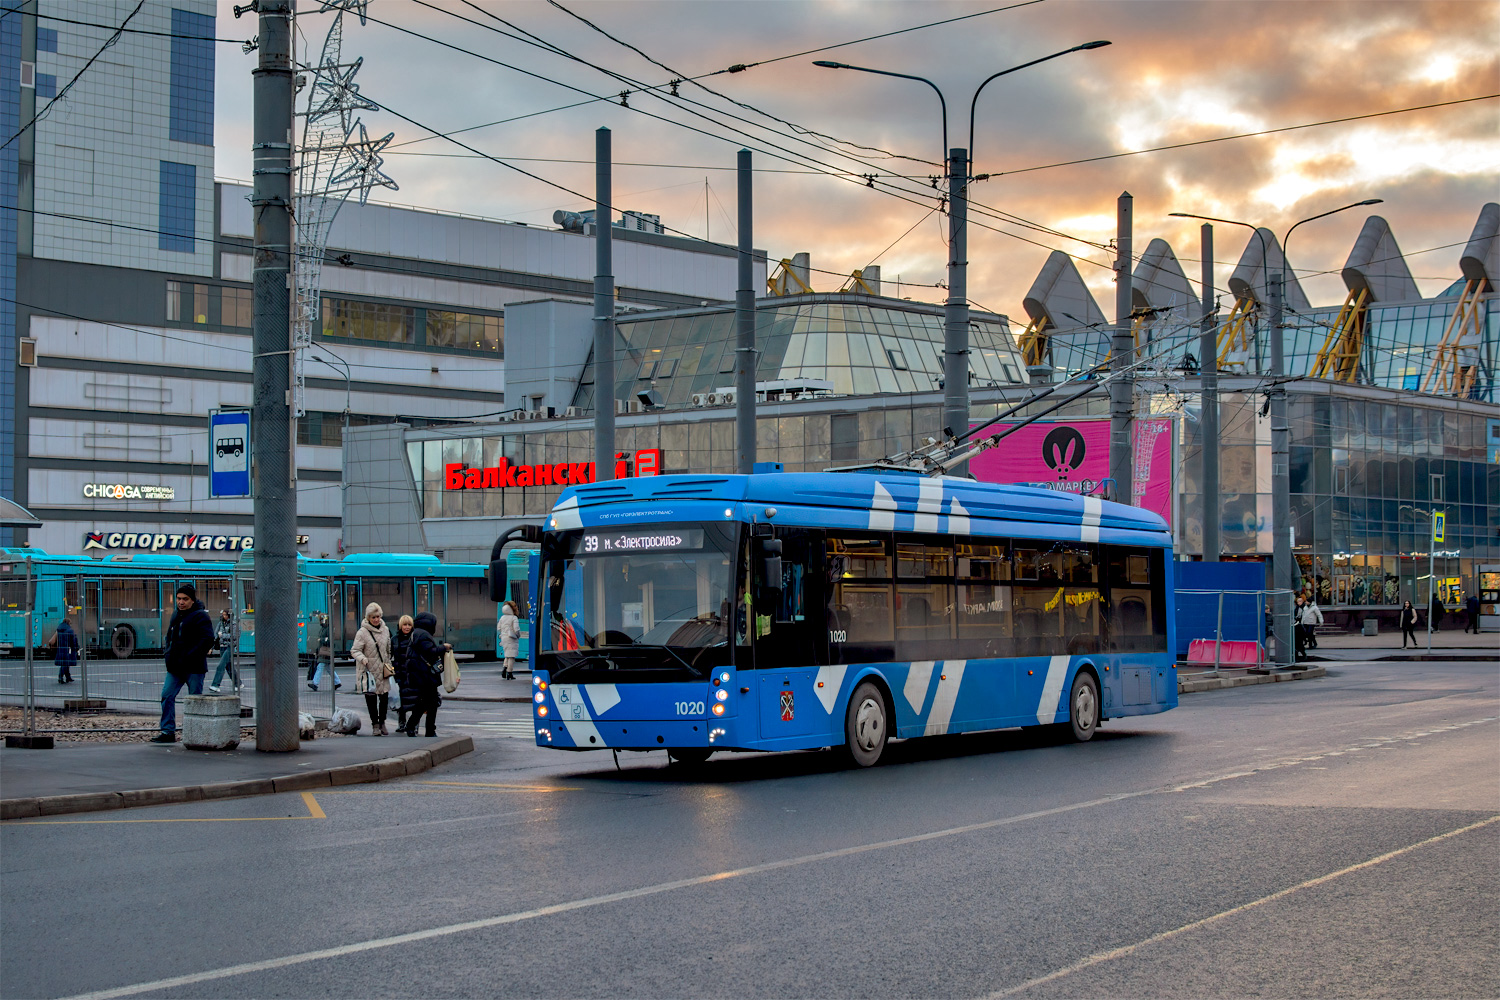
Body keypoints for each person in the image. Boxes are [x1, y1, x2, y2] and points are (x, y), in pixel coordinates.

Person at [153, 584, 213, 744]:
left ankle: (196, 732)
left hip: (194, 667)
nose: (181, 602)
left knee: (194, 701)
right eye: (179, 599)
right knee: (167, 695)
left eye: (185, 599)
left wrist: (190, 655)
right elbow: (170, 637)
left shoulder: (201, 616)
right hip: (175, 667)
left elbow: (207, 639)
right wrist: (169, 654)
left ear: (192, 600)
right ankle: (167, 731)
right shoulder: (176, 615)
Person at [401, 611, 449, 737]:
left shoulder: (417, 633)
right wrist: (444, 648)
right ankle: (429, 730)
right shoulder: (423, 635)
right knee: (432, 703)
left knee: (425, 702)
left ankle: (412, 726)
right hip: (425, 675)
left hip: (419, 675)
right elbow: (430, 651)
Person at [351, 603, 394, 736]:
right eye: (373, 617)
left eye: (378, 616)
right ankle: (375, 724)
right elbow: (355, 650)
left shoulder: (385, 630)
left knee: (384, 697)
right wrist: (363, 659)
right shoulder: (362, 632)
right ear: (368, 617)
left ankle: (382, 723)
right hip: (369, 671)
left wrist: (389, 660)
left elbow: (388, 648)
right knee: (371, 698)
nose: (376, 619)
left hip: (383, 669)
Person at [391, 614, 414, 732]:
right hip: (399, 673)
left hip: (413, 674)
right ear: (400, 626)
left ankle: (414, 724)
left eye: (409, 624)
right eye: (404, 624)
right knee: (401, 700)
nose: (407, 627)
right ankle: (402, 723)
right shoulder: (394, 639)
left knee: (414, 700)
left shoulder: (415, 638)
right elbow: (390, 655)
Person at [209, 608, 240, 693]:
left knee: (221, 665)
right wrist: (211, 647)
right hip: (222, 646)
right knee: (229, 666)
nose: (224, 616)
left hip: (230, 647)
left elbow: (234, 636)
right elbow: (215, 636)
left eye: (225, 615)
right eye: (223, 615)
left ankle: (215, 684)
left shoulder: (234, 625)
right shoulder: (220, 624)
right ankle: (238, 683)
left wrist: (222, 635)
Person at [498, 601, 521, 680]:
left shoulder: (502, 618)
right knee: (511, 656)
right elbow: (516, 629)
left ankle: (504, 669)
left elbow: (499, 628)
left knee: (507, 655)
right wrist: (518, 635)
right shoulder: (514, 618)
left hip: (503, 638)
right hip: (511, 638)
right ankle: (509, 673)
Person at [53, 617, 78, 684]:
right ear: (68, 623)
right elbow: (73, 641)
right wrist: (76, 648)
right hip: (68, 649)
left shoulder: (59, 629)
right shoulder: (69, 630)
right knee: (66, 664)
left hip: (61, 648)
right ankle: (61, 677)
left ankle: (68, 677)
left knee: (65, 663)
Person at [1293, 595, 1309, 661]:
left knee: (1300, 646)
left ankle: (1303, 656)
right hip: (1297, 627)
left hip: (1303, 623)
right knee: (1296, 647)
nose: (1299, 603)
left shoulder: (1305, 608)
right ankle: (1296, 657)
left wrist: (1305, 639)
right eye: (1298, 601)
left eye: (1300, 601)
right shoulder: (1296, 608)